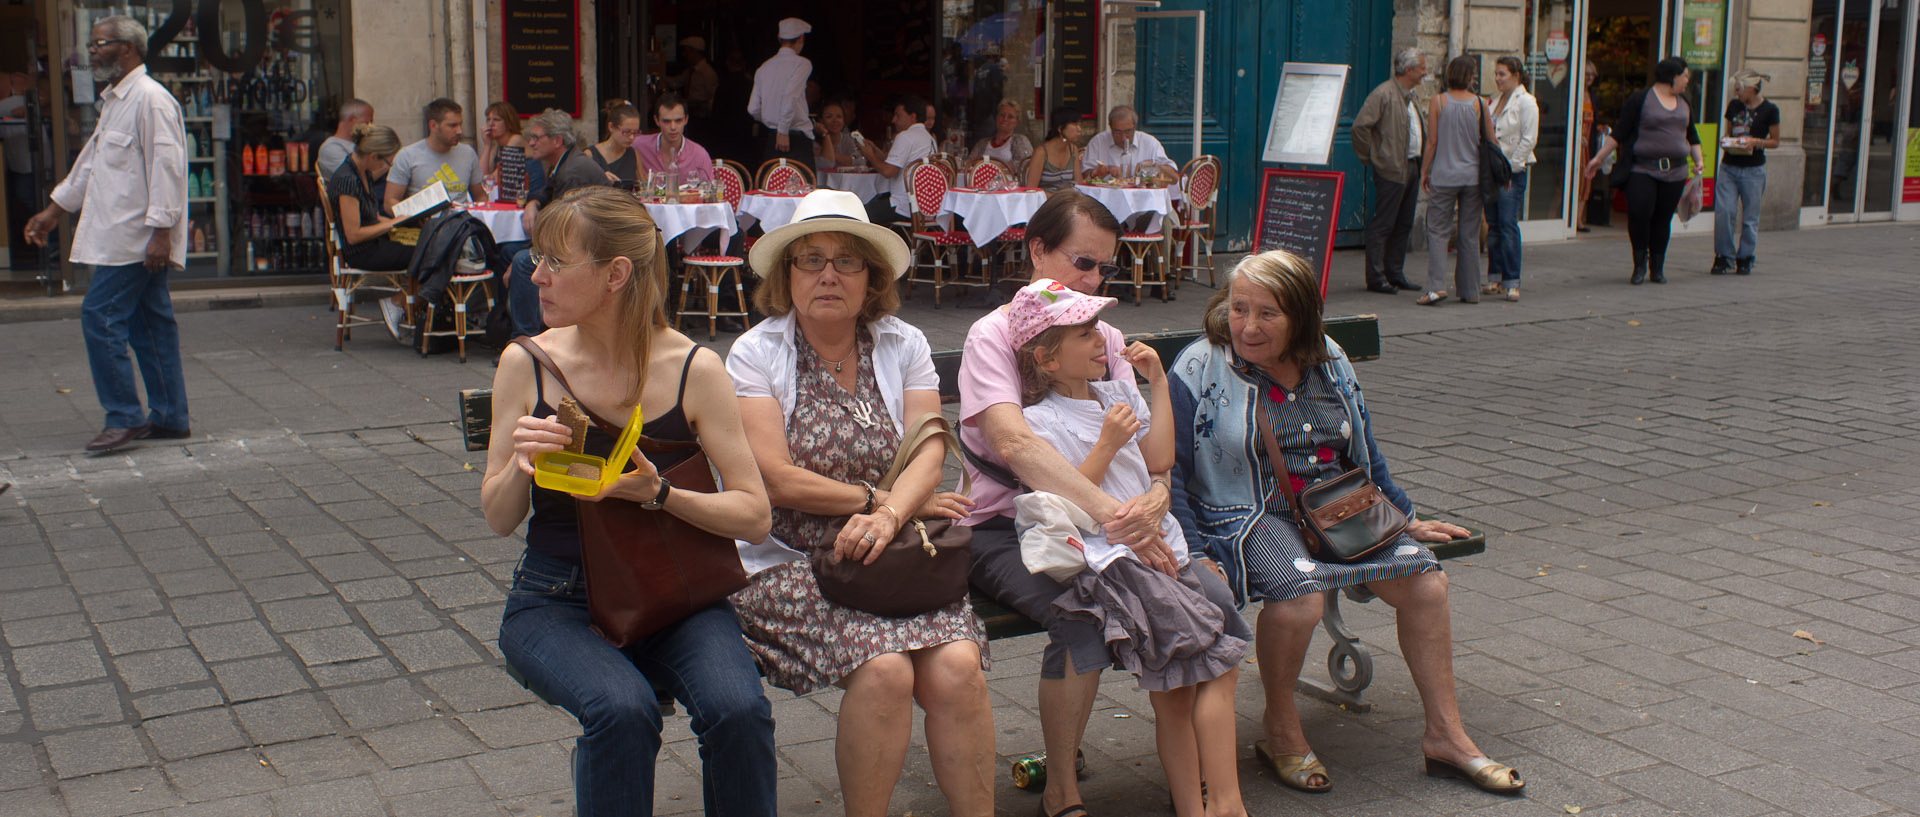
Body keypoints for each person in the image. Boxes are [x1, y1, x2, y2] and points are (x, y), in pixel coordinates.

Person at [1166, 249, 1525, 798]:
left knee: (1426, 580)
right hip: (1249, 513)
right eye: (1240, 309)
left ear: (1301, 316)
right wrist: (1191, 550)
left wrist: (1404, 519)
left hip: (1341, 509)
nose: (1248, 326)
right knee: (1300, 591)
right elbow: (1168, 471)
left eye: (1268, 313)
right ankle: (1280, 727)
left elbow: (1365, 450)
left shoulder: (1328, 356)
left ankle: (1446, 737)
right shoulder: (1199, 365)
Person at [481, 187, 776, 817]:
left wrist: (661, 493)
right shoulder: (526, 363)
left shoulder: (694, 367)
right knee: (621, 710)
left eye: (555, 262)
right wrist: (519, 465)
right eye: (537, 259)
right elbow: (499, 518)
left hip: (674, 594)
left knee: (738, 710)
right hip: (556, 599)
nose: (536, 277)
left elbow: (754, 515)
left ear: (615, 274)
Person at [959, 192, 1238, 817]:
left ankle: (1200, 767)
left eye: (1103, 270)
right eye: (1082, 262)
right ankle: (1061, 785)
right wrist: (1123, 520)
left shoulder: (1104, 336)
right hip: (1010, 524)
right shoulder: (995, 334)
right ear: (1036, 250)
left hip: (1117, 524)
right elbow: (1014, 443)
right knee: (1079, 612)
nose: (1091, 280)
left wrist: (1159, 500)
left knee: (1203, 592)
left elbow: (1150, 456)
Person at [724, 190, 994, 817]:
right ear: (785, 273)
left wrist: (892, 517)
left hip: (894, 552)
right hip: (789, 559)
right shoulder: (758, 353)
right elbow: (775, 479)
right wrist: (880, 500)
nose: (827, 275)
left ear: (870, 277)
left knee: (957, 668)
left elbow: (931, 446)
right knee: (886, 671)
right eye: (810, 259)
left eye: (847, 261)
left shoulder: (902, 344)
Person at [1008, 279, 1253, 817]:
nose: (1101, 340)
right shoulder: (1039, 420)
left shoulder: (1116, 393)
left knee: (1194, 676)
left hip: (1165, 550)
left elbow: (1160, 455)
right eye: (1084, 332)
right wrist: (1106, 444)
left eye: (1098, 327)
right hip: (1116, 563)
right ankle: (1217, 805)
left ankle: (1208, 804)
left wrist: (1158, 383)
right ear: (1048, 360)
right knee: (1199, 669)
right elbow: (1066, 502)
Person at [23, 15, 189, 454]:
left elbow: (168, 170)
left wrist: (161, 234)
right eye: (92, 44)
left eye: (100, 44)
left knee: (100, 317)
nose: (92, 51)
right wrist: (53, 212)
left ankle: (124, 416)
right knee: (151, 324)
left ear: (129, 48)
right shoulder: (116, 100)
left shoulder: (151, 100)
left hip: (135, 239)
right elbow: (90, 167)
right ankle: (171, 417)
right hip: (124, 236)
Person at [1585, 57, 1702, 285]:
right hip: (1642, 168)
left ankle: (1657, 267)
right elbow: (1619, 133)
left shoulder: (1684, 102)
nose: (1687, 80)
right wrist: (1598, 159)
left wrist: (1698, 161)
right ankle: (1639, 264)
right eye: (1685, 75)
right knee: (1639, 215)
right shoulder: (1641, 99)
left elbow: (1692, 135)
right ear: (1672, 77)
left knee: (1662, 219)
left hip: (1676, 171)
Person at [505, 110, 610, 340]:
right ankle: (502, 324)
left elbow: (564, 231)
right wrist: (533, 202)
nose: (530, 142)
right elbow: (547, 191)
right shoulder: (565, 162)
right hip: (577, 237)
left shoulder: (572, 171)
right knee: (505, 250)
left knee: (522, 262)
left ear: (557, 141)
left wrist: (530, 254)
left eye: (536, 137)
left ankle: (526, 337)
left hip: (590, 245)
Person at [1416, 55, 1494, 305]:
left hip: (1444, 175)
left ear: (1448, 75)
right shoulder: (1480, 104)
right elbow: (1491, 141)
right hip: (1473, 177)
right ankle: (1470, 290)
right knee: (1469, 234)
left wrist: (1424, 171)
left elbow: (1432, 142)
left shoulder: (1438, 102)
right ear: (1471, 77)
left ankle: (1437, 287)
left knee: (1438, 231)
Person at [1351, 47, 1428, 294]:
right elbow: (1360, 127)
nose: (1425, 72)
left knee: (1404, 222)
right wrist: (1373, 157)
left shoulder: (1411, 95)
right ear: (1408, 69)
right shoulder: (1383, 94)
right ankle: (1376, 277)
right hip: (1392, 167)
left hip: (1412, 165)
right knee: (1383, 223)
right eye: (1421, 68)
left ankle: (1395, 273)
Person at [1712, 69, 1778, 277]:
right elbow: (1730, 131)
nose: (1736, 92)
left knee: (1750, 216)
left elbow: (1775, 141)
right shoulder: (1734, 106)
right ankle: (1724, 256)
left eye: (1739, 89)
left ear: (1751, 88)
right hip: (1729, 166)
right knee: (1725, 212)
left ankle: (1746, 256)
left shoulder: (1770, 109)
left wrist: (1756, 142)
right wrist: (1726, 142)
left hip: (1753, 169)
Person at [1483, 56, 1538, 302]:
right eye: (1496, 73)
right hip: (1493, 171)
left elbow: (1529, 138)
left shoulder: (1526, 101)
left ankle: (1512, 280)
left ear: (1516, 75)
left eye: (1502, 74)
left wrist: (1513, 168)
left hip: (1511, 172)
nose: (1497, 78)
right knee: (1493, 225)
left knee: (1507, 224)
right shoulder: (1493, 101)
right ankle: (1494, 277)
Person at [325, 124, 412, 272]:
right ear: (373, 156)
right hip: (362, 252)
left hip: (374, 243)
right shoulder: (348, 180)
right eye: (387, 162)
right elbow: (353, 235)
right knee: (425, 254)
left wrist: (404, 222)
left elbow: (373, 217)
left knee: (426, 246)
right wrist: (393, 224)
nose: (387, 167)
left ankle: (413, 294)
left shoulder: (363, 172)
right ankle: (412, 295)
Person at [386, 98, 483, 212]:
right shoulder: (408, 156)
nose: (459, 131)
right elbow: (390, 202)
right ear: (433, 125)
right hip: (424, 225)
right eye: (452, 126)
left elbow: (480, 196)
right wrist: (414, 218)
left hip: (461, 223)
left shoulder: (468, 153)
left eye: (460, 124)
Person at [855, 95, 934, 226]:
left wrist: (869, 155)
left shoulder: (905, 136)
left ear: (912, 117)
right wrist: (874, 149)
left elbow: (887, 171)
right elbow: (893, 162)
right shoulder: (929, 138)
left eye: (898, 115)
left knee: (857, 213)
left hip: (904, 206)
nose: (893, 120)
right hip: (927, 208)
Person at [749, 17, 816, 169]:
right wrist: (783, 129)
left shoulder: (764, 67)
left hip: (772, 136)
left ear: (779, 38)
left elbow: (753, 109)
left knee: (772, 187)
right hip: (794, 136)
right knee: (804, 189)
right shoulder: (802, 64)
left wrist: (771, 119)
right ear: (801, 38)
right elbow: (790, 95)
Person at [1081, 106, 1176, 185]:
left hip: (1142, 201)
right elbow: (1085, 177)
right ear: (1110, 127)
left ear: (1135, 127)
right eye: (1117, 132)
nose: (1123, 137)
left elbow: (1174, 179)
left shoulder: (1149, 143)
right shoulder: (1098, 142)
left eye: (1128, 131)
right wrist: (1101, 172)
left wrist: (1154, 165)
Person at [633, 93, 715, 184]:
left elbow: (709, 194)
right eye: (666, 121)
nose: (673, 127)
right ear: (656, 120)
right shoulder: (638, 145)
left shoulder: (699, 155)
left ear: (686, 119)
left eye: (678, 121)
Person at [1025, 108, 1085, 194]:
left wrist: (1092, 175)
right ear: (1060, 128)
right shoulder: (1041, 152)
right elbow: (1031, 189)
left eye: (1080, 125)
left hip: (1068, 202)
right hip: (1047, 204)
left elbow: (1079, 184)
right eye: (1075, 125)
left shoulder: (1073, 149)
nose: (1079, 129)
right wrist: (1057, 200)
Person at [478, 101, 528, 200]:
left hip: (528, 196)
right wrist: (487, 145)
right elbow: (481, 176)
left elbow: (494, 179)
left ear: (509, 123)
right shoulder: (497, 146)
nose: (491, 124)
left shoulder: (516, 140)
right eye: (488, 119)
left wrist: (487, 180)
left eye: (496, 120)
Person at [968, 100, 1035, 171]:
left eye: (1010, 117)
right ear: (997, 118)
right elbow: (969, 162)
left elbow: (1026, 163)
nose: (1005, 119)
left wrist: (996, 166)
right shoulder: (982, 143)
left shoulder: (1020, 140)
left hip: (1007, 181)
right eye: (1002, 115)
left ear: (1016, 123)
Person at [317, 98, 374, 177]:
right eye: (367, 122)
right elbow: (354, 178)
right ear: (352, 119)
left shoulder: (361, 143)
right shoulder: (331, 148)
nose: (370, 127)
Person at [589, 99, 641, 185]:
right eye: (626, 132)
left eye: (635, 133)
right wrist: (599, 178)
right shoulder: (591, 154)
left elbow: (642, 186)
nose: (631, 137)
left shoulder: (633, 154)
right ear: (611, 127)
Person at [1575, 61, 1598, 233]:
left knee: (1585, 182)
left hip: (1588, 145)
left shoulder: (1592, 96)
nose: (1589, 78)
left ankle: (1578, 219)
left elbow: (1594, 120)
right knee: (1569, 182)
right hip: (1576, 146)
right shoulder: (1574, 93)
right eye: (1586, 73)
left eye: (1592, 75)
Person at [674, 36, 719, 119]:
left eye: (686, 51)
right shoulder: (690, 70)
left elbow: (714, 97)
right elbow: (677, 82)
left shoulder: (708, 72)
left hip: (701, 116)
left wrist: (703, 108)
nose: (684, 54)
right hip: (690, 113)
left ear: (694, 51)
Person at [813, 98, 858, 172]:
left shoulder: (848, 139)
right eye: (829, 117)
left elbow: (859, 161)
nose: (835, 120)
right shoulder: (813, 141)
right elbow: (826, 163)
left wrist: (833, 155)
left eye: (839, 117)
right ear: (821, 120)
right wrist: (825, 134)